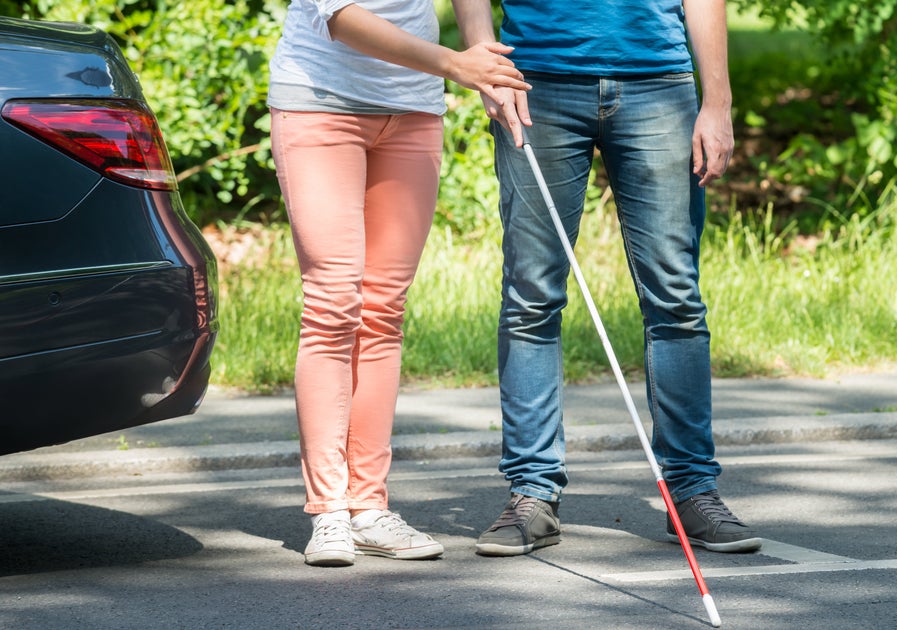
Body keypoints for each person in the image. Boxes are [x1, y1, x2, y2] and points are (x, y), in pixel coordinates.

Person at [458, 0, 763, 556]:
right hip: (536, 83)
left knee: (676, 299)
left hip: (659, 85)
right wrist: (484, 60)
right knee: (531, 296)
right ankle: (532, 492)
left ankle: (691, 490)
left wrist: (718, 101)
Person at [267, 0, 529, 567]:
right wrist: (455, 64)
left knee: (383, 311)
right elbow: (340, 17)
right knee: (334, 302)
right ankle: (329, 512)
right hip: (320, 104)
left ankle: (368, 506)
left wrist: (484, 57)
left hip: (412, 110)